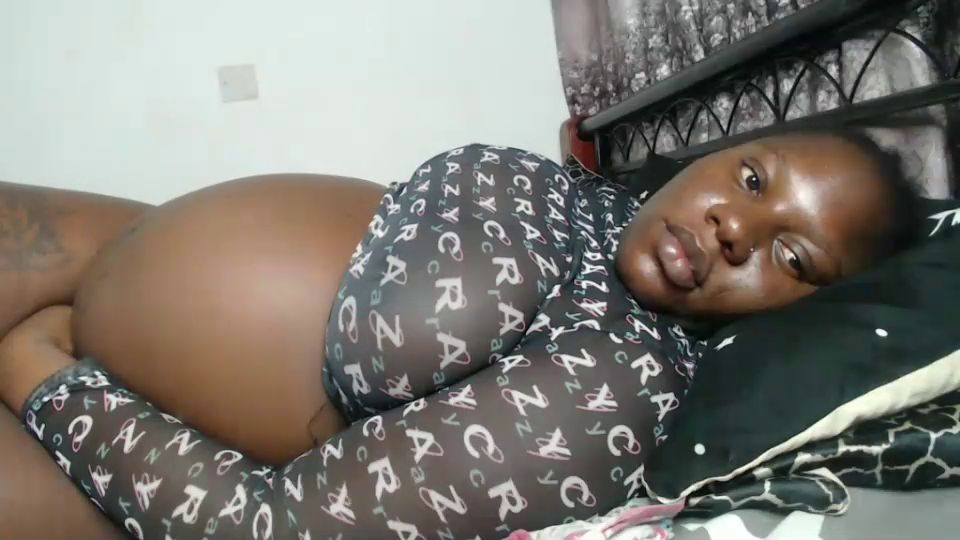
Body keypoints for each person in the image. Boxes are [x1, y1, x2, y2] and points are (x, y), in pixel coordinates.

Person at [0, 130, 922, 539]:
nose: (733, 227)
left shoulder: (621, 390)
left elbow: (278, 530)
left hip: (102, 438)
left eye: (791, 257)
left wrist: (39, 376)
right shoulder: (584, 201)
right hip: (95, 252)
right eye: (753, 180)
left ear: (800, 316)